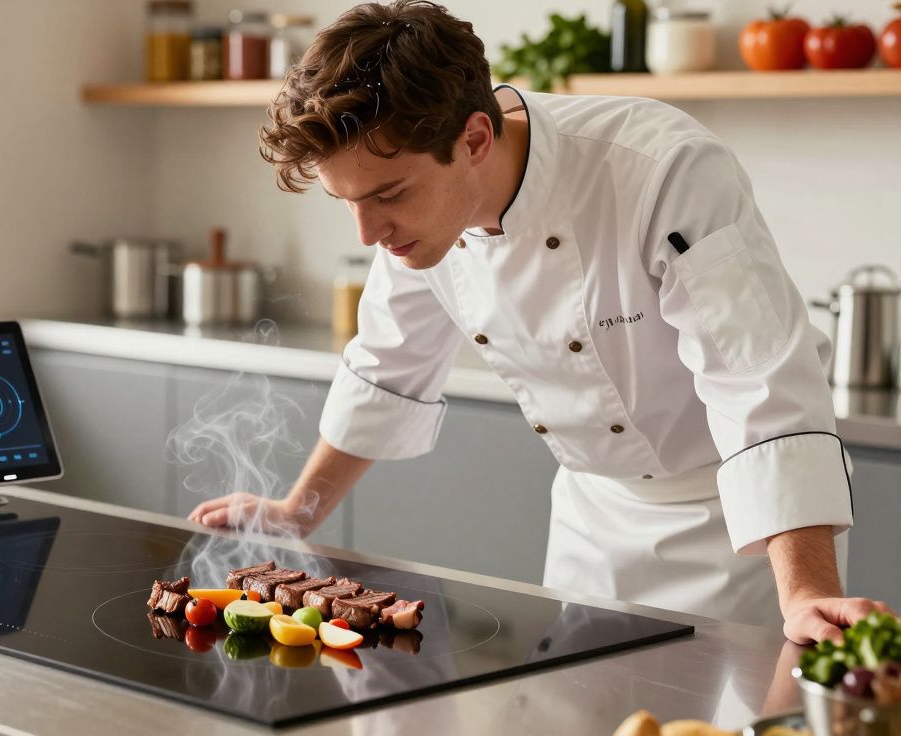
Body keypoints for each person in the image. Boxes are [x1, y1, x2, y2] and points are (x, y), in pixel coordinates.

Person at [187, 0, 891, 644]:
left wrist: (805, 593)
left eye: (389, 195)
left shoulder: (659, 169)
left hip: (739, 532)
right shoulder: (417, 220)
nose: (370, 233)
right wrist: (296, 512)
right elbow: (386, 366)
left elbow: (758, 380)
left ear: (475, 138)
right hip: (592, 520)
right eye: (349, 203)